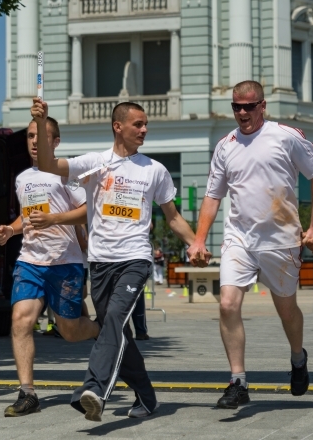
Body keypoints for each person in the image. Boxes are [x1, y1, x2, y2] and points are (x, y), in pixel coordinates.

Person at [30, 98, 207, 422]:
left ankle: (94, 389)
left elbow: (173, 217)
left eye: (145, 124)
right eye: (138, 124)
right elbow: (46, 164)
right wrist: (41, 124)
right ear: (118, 127)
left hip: (135, 260)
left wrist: (195, 242)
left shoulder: (155, 170)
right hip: (100, 263)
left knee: (112, 319)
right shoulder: (96, 163)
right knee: (114, 331)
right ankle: (147, 396)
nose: (144, 130)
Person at [187, 80, 313, 410]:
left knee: (287, 310)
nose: (242, 113)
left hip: (281, 240)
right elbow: (213, 195)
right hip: (239, 239)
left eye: (249, 106)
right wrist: (199, 239)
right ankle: (238, 382)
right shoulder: (225, 145)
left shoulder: (286, 136)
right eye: (236, 106)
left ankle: (298, 358)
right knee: (227, 304)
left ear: (262, 106)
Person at [0, 117, 100, 417]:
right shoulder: (22, 177)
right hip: (30, 261)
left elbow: (87, 211)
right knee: (20, 321)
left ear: (55, 142)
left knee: (68, 331)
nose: (35, 140)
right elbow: (28, 216)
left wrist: (54, 220)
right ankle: (27, 393)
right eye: (30, 136)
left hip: (65, 262)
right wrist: (11, 230)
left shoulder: (68, 175)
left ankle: (97, 330)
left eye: (41, 135)